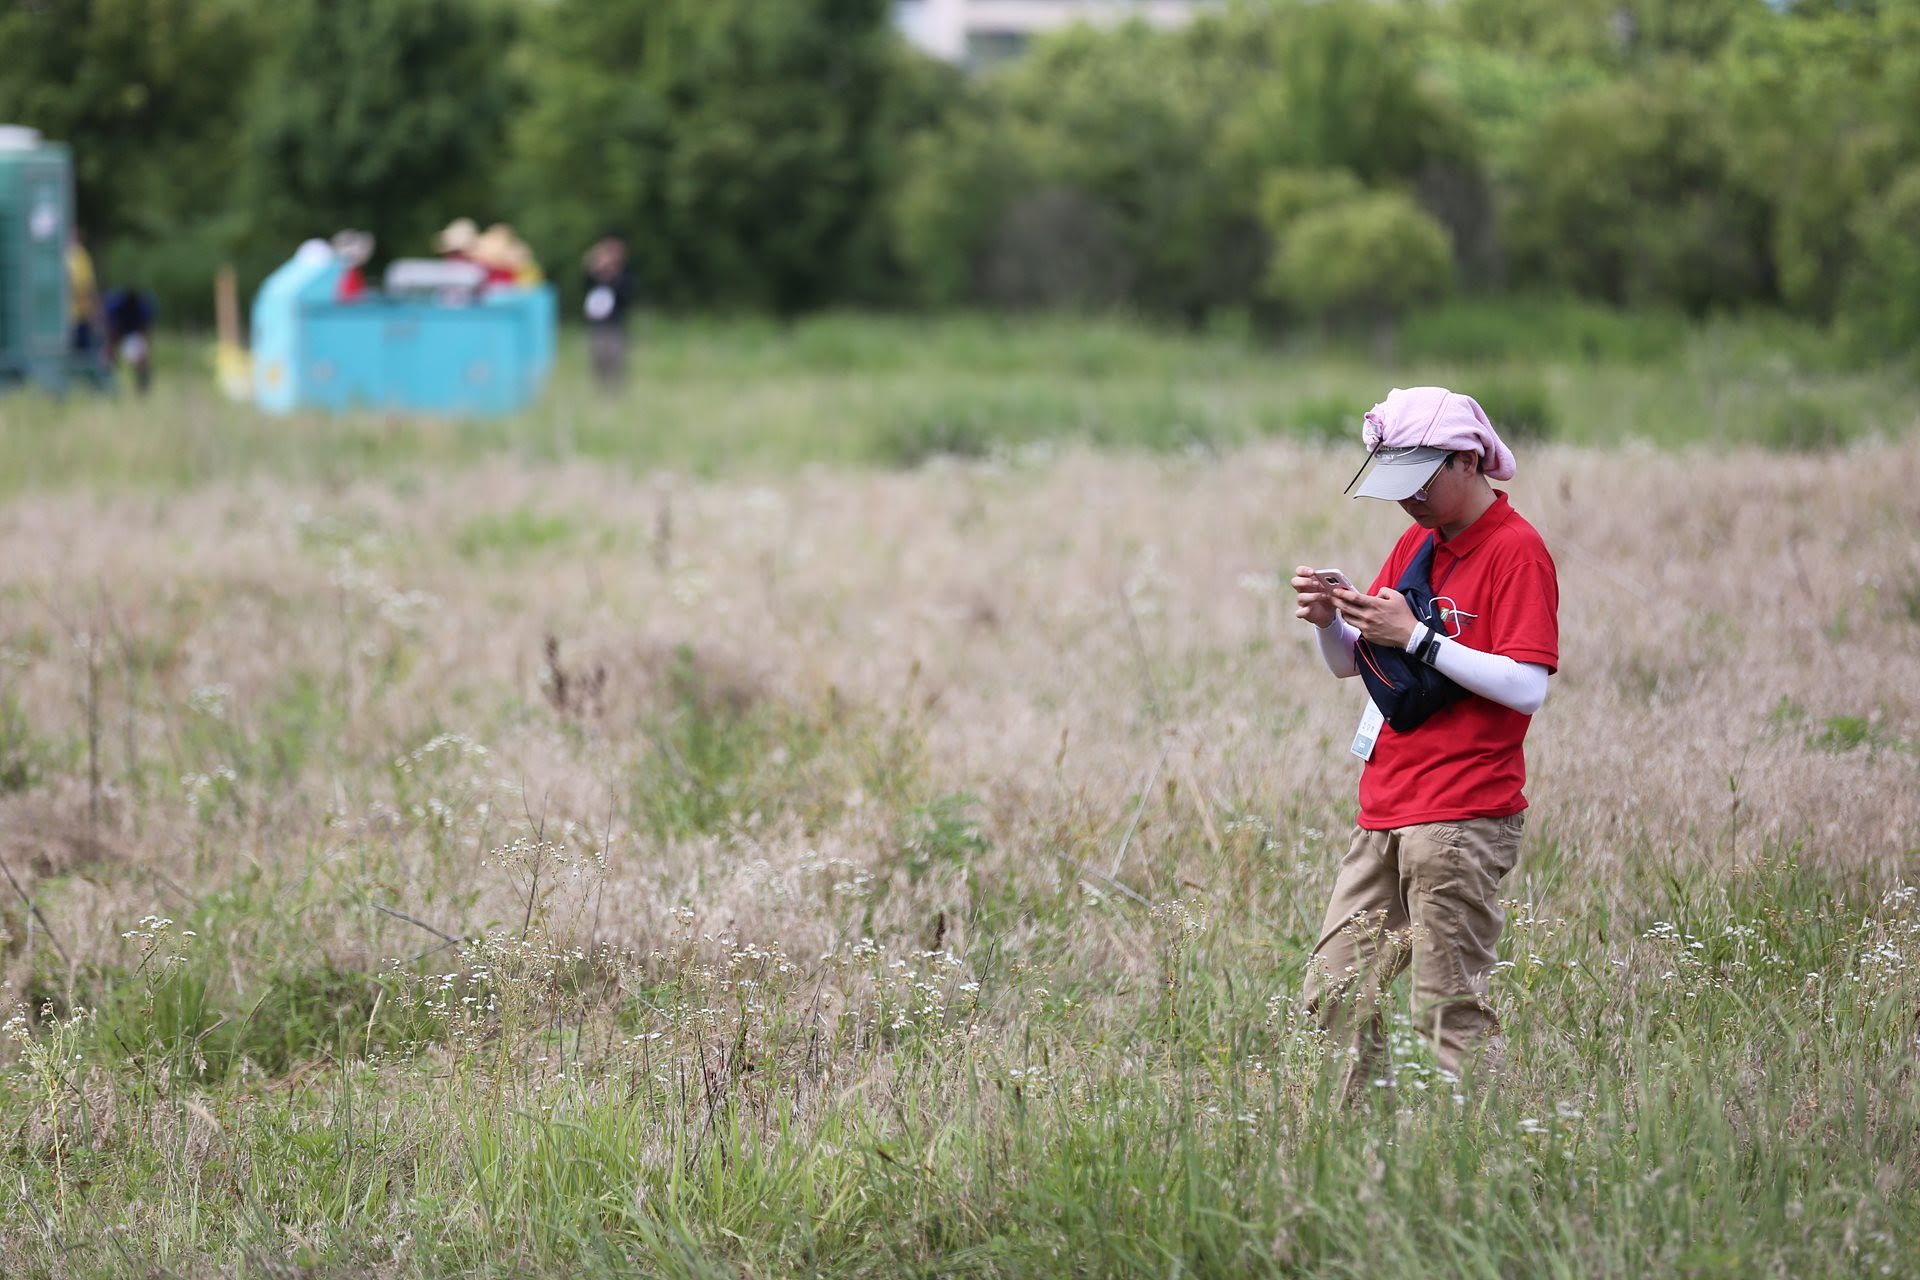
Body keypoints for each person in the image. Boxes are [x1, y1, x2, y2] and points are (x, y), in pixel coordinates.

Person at [1290, 386, 1559, 1101]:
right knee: (1334, 991)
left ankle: (1455, 1171)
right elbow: (1356, 664)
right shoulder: (1417, 543)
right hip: (1385, 807)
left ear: (1467, 460)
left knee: (1448, 1012)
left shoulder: (1516, 552)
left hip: (1462, 815)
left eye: (1418, 483)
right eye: (1394, 486)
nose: (1406, 503)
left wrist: (1415, 636)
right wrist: (1330, 620)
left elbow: (1528, 685)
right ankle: (1360, 1157)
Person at [581, 233, 633, 391]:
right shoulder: (596, 276)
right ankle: (601, 388)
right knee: (598, 358)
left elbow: (626, 295)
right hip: (598, 324)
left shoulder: (625, 275)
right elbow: (586, 284)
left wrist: (612, 275)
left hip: (615, 324)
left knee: (615, 358)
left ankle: (615, 390)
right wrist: (597, 267)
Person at [104, 286, 156, 395]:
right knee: (109, 355)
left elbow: (146, 329)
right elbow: (110, 325)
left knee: (142, 360)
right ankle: (107, 383)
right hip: (118, 329)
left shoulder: (143, 307)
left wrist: (145, 347)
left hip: (134, 332)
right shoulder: (115, 304)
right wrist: (111, 344)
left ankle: (142, 387)